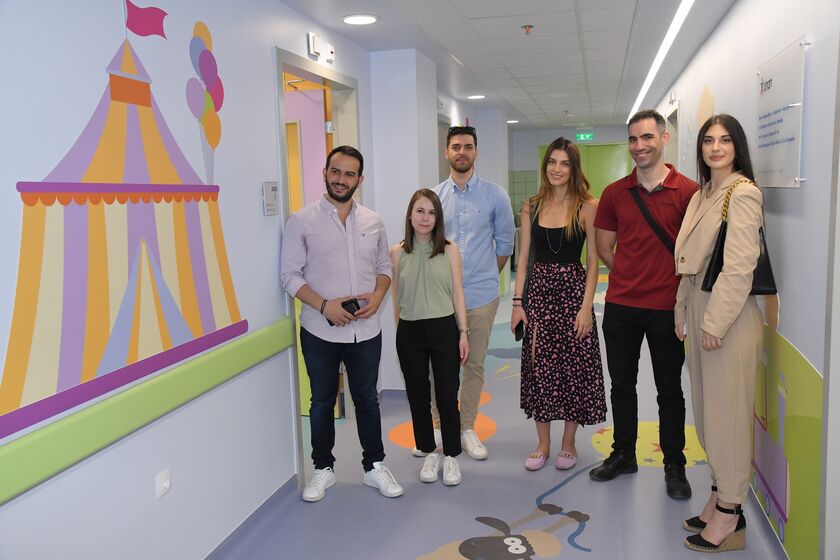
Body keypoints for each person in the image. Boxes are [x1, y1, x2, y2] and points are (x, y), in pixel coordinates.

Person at [280, 145, 403, 502]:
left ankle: (374, 466)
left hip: (366, 331)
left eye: (349, 174)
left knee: (367, 399)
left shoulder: (373, 221)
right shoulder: (301, 221)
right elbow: (289, 276)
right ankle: (323, 468)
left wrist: (378, 296)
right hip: (319, 330)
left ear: (359, 180)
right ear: (325, 173)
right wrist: (324, 306)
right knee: (321, 401)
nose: (341, 179)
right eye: (336, 171)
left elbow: (384, 268)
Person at [590, 110, 698, 500]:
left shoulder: (688, 192)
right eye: (633, 139)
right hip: (621, 306)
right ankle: (623, 455)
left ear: (664, 138)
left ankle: (674, 465)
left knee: (670, 389)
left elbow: (695, 251)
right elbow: (604, 246)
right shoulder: (614, 193)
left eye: (647, 137)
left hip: (668, 309)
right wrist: (631, 273)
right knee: (622, 385)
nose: (640, 146)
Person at [675, 114, 764, 552]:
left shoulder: (743, 193)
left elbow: (740, 266)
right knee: (709, 412)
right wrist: (682, 308)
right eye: (708, 140)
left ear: (737, 146)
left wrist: (715, 322)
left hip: (726, 316)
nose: (716, 147)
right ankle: (717, 492)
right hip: (698, 304)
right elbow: (689, 262)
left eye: (725, 140)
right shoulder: (703, 193)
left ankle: (731, 512)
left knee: (727, 416)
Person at [510, 137, 606, 471]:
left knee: (572, 368)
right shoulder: (531, 206)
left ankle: (568, 442)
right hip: (539, 295)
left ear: (574, 168)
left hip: (573, 294)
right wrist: (518, 302)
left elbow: (593, 262)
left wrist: (586, 307)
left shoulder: (587, 206)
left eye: (564, 163)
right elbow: (523, 259)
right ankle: (543, 443)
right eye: (552, 162)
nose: (557, 169)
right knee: (539, 367)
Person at [427, 125, 515, 460]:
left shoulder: (495, 196)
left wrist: (484, 274)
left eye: (467, 146)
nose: (461, 152)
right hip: (440, 298)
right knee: (439, 366)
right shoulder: (434, 198)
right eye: (455, 146)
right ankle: (439, 426)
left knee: (474, 364)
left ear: (476, 152)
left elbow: (504, 244)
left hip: (480, 297)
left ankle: (466, 428)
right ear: (446, 152)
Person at [390, 189, 470, 486]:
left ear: (438, 218)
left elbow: (458, 292)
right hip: (410, 331)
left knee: (447, 396)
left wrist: (463, 332)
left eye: (432, 212)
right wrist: (401, 329)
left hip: (444, 328)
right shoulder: (396, 252)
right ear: (410, 215)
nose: (425, 218)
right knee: (418, 396)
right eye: (420, 211)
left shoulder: (450, 250)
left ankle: (451, 456)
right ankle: (428, 451)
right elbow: (396, 296)